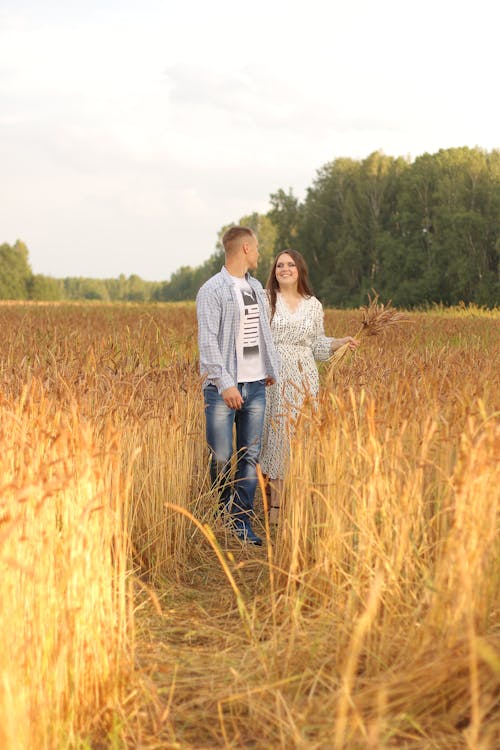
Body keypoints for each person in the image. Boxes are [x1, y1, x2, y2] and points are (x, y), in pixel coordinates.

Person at [260, 249, 359, 521]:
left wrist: (341, 342)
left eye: (290, 264)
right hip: (272, 377)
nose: (285, 269)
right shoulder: (266, 300)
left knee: (295, 439)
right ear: (274, 271)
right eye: (280, 265)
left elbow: (317, 345)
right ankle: (273, 503)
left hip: (304, 378)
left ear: (300, 269)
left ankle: (285, 505)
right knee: (274, 437)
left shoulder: (313, 305)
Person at [196, 226, 280, 546]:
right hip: (223, 389)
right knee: (221, 455)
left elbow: (263, 332)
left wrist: (267, 368)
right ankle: (221, 513)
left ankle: (240, 521)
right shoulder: (212, 290)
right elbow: (208, 343)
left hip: (256, 384)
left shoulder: (256, 287)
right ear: (245, 248)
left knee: (250, 455)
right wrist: (225, 383)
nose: (260, 254)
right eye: (256, 248)